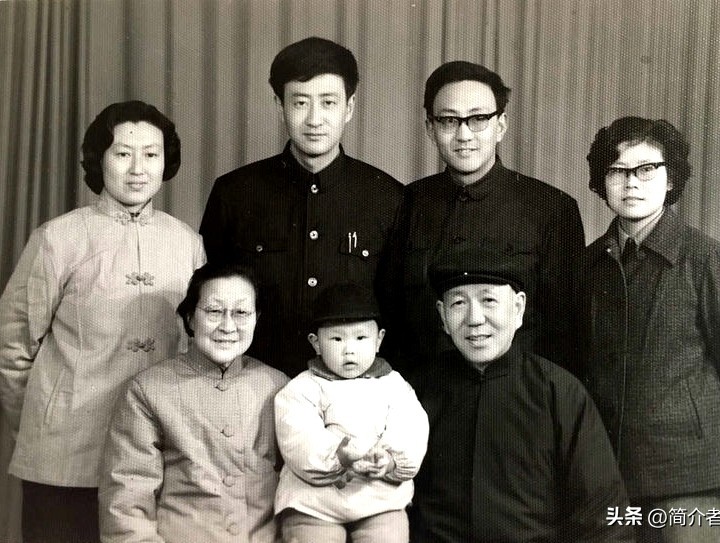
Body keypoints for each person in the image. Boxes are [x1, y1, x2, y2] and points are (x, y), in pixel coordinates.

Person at [0, 101, 205, 543]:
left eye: (151, 154)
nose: (138, 169)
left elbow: (196, 348)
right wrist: (40, 422)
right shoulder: (57, 238)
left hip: (154, 455)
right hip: (63, 454)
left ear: (166, 162)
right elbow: (12, 347)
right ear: (99, 160)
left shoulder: (187, 243)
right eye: (123, 153)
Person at [199, 37, 403, 377]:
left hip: (353, 393)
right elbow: (209, 302)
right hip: (251, 385)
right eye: (300, 103)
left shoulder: (386, 197)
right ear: (280, 106)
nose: (314, 119)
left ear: (349, 107)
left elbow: (398, 314)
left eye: (328, 102)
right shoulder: (234, 193)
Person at [584, 116, 720, 543]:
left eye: (647, 169)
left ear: (671, 179)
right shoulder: (588, 264)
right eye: (617, 171)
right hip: (609, 466)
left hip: (690, 471)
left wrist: (697, 429)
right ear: (602, 182)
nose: (631, 182)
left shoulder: (709, 259)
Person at [410, 244, 633, 542]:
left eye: (488, 300)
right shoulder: (412, 394)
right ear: (442, 316)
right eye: (459, 303)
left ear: (518, 308)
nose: (474, 319)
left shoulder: (558, 393)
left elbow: (603, 517)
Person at [386, 61, 586, 378]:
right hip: (420, 394)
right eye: (449, 121)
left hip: (518, 395)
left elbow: (565, 333)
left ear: (501, 125)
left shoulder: (552, 208)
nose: (464, 134)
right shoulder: (403, 204)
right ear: (430, 128)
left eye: (478, 119)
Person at [99, 263, 289, 542]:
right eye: (213, 311)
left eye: (241, 313)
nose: (228, 326)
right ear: (190, 318)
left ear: (256, 318)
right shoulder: (147, 390)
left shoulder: (279, 386)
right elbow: (128, 504)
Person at [274, 282, 428, 543]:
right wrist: (339, 455)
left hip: (379, 499)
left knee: (389, 535)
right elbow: (298, 436)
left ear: (379, 340)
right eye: (337, 339)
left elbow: (411, 427)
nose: (349, 349)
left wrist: (390, 460)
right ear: (316, 343)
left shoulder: (394, 385)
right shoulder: (302, 388)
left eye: (361, 338)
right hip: (315, 503)